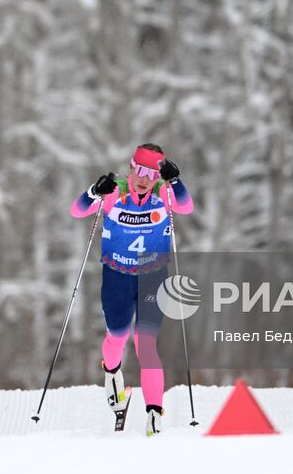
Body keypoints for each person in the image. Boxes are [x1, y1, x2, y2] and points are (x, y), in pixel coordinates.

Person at [70, 142, 193, 435]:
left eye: (151, 174)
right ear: (130, 168)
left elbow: (186, 206)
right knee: (118, 335)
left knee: (146, 344)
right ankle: (111, 373)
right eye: (139, 170)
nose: (143, 179)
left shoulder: (164, 194)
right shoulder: (116, 191)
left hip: (153, 276)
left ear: (158, 177)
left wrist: (175, 181)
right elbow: (77, 211)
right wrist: (92, 192)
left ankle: (154, 412)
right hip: (117, 275)